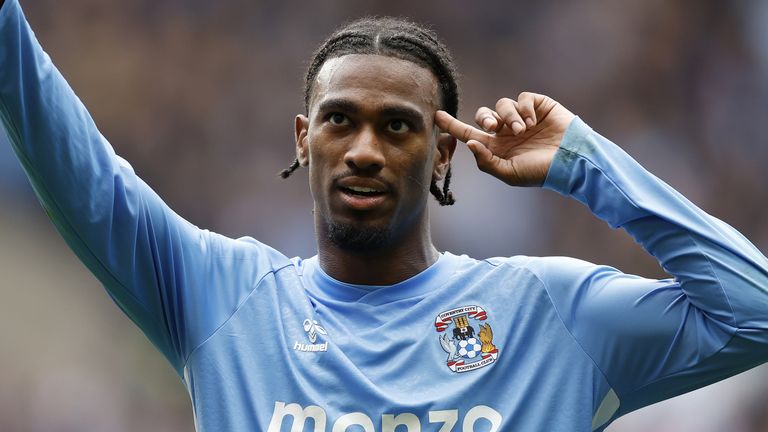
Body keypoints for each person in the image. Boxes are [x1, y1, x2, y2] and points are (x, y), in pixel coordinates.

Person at [2, 0, 768, 431]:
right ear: (305, 141)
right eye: (340, 120)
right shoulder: (219, 292)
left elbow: (754, 313)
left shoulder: (550, 314)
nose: (364, 149)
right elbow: (76, 165)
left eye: (398, 126)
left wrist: (587, 166)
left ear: (443, 153)